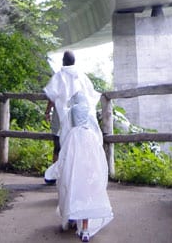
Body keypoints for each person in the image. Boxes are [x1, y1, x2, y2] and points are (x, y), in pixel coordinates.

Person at [56, 91, 113, 241]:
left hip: (74, 142)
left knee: (71, 178)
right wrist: (97, 147)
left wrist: (64, 147)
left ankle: (72, 216)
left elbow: (65, 130)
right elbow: (97, 130)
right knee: (88, 183)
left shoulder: (71, 111)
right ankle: (85, 229)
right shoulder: (89, 111)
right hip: (89, 142)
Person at [43, 50, 99, 184]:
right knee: (78, 145)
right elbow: (90, 96)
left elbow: (52, 96)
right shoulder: (82, 77)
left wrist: (47, 111)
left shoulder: (59, 76)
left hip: (61, 114)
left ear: (63, 61)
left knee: (58, 143)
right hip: (80, 116)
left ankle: (56, 175)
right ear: (74, 62)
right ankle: (79, 175)